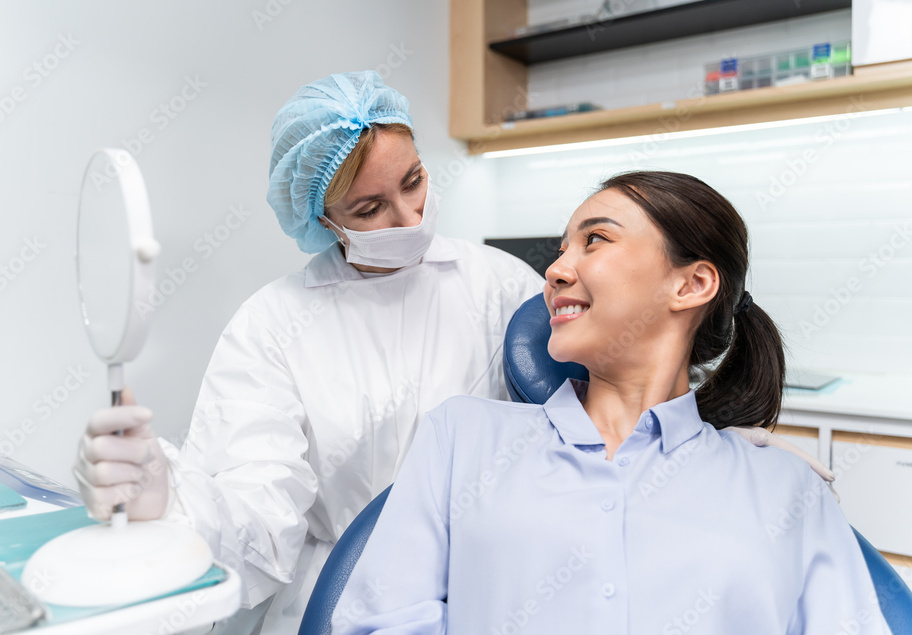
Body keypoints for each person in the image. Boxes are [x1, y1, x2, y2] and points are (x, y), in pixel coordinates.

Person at [71, 71, 545, 634]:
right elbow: (258, 523)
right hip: (338, 602)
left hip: (489, 590)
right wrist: (168, 502)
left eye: (414, 180)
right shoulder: (273, 326)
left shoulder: (504, 286)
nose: (409, 217)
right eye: (369, 209)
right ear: (322, 219)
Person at [332, 171, 890, 634]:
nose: (554, 271)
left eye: (595, 239)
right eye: (561, 250)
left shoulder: (784, 487)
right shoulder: (463, 437)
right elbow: (383, 620)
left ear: (692, 284)